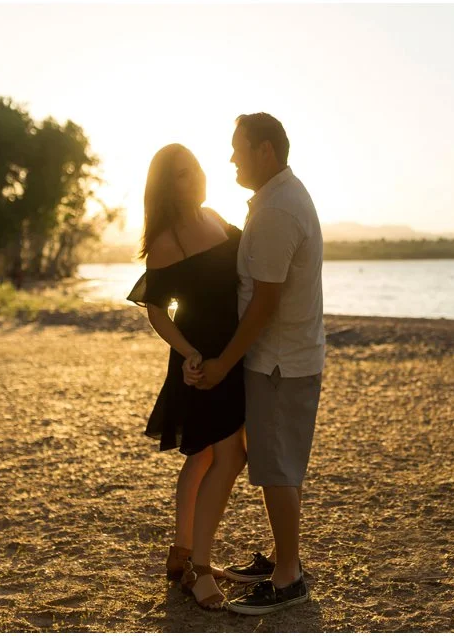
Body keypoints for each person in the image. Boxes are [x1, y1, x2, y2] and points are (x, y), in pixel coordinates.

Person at [185, 113, 325, 615]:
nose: (231, 159)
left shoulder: (277, 211)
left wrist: (223, 362)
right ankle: (283, 559)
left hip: (280, 364)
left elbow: (264, 304)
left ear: (265, 151)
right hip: (282, 360)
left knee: (277, 470)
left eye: (237, 149)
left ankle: (289, 578)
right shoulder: (276, 200)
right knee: (274, 464)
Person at [127, 143, 246, 610]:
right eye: (179, 174)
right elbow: (156, 308)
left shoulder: (216, 216)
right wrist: (189, 352)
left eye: (194, 167)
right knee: (227, 456)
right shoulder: (166, 240)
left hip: (236, 353)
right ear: (164, 186)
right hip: (200, 361)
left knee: (201, 459)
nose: (192, 176)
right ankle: (197, 568)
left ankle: (182, 554)